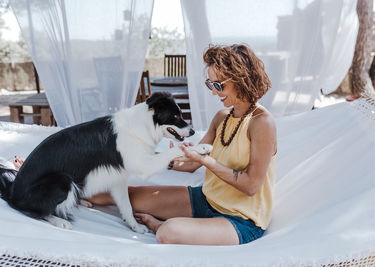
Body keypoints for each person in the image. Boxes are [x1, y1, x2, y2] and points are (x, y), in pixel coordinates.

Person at [14, 44, 277, 245]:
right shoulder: (222, 117)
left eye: (218, 84)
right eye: (210, 83)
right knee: (121, 193)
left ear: (241, 78)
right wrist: (169, 158)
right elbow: (188, 165)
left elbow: (251, 185)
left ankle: (159, 224)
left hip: (240, 219)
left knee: (168, 233)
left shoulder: (262, 123)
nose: (213, 91)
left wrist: (205, 160)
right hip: (206, 199)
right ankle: (35, 177)